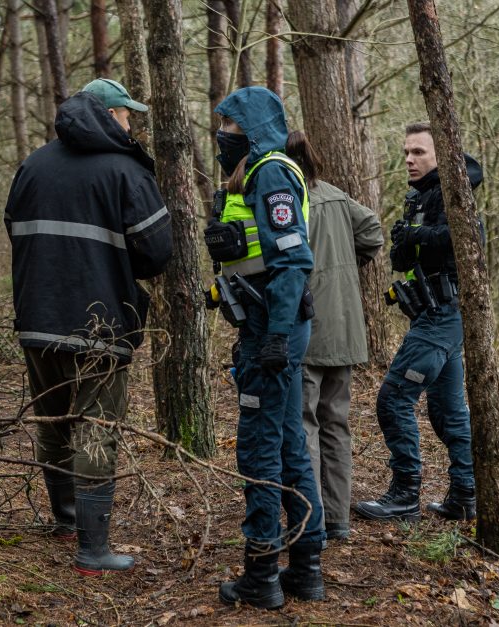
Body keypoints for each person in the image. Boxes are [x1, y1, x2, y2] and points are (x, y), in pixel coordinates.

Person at [4, 78, 172, 576]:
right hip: (100, 325)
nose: (130, 122)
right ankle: (92, 548)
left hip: (37, 317)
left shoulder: (32, 165)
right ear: (106, 115)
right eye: (125, 114)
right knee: (97, 427)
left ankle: (66, 521)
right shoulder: (124, 170)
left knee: (54, 422)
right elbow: (158, 251)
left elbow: (15, 230)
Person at [203, 87, 325, 609]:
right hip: (266, 325)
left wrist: (274, 334)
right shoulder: (257, 172)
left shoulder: (271, 171)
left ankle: (262, 576)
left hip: (272, 333)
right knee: (289, 444)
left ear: (249, 130)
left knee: (259, 448)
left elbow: (292, 260)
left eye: (229, 128)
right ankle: (306, 567)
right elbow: (258, 255)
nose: (222, 137)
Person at [353, 121, 482, 523]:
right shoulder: (421, 196)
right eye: (407, 152)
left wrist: (417, 235)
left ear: (440, 155)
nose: (409, 159)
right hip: (432, 316)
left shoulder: (454, 195)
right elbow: (404, 257)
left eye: (419, 152)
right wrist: (406, 240)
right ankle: (464, 495)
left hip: (443, 317)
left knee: (393, 399)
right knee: (447, 412)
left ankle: (405, 495)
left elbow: (466, 237)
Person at [284, 131, 384, 541]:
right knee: (336, 424)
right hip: (345, 328)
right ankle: (338, 519)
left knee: (305, 423)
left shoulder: (290, 203)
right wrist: (348, 262)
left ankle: (313, 522)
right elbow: (374, 232)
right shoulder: (339, 198)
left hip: (309, 327)